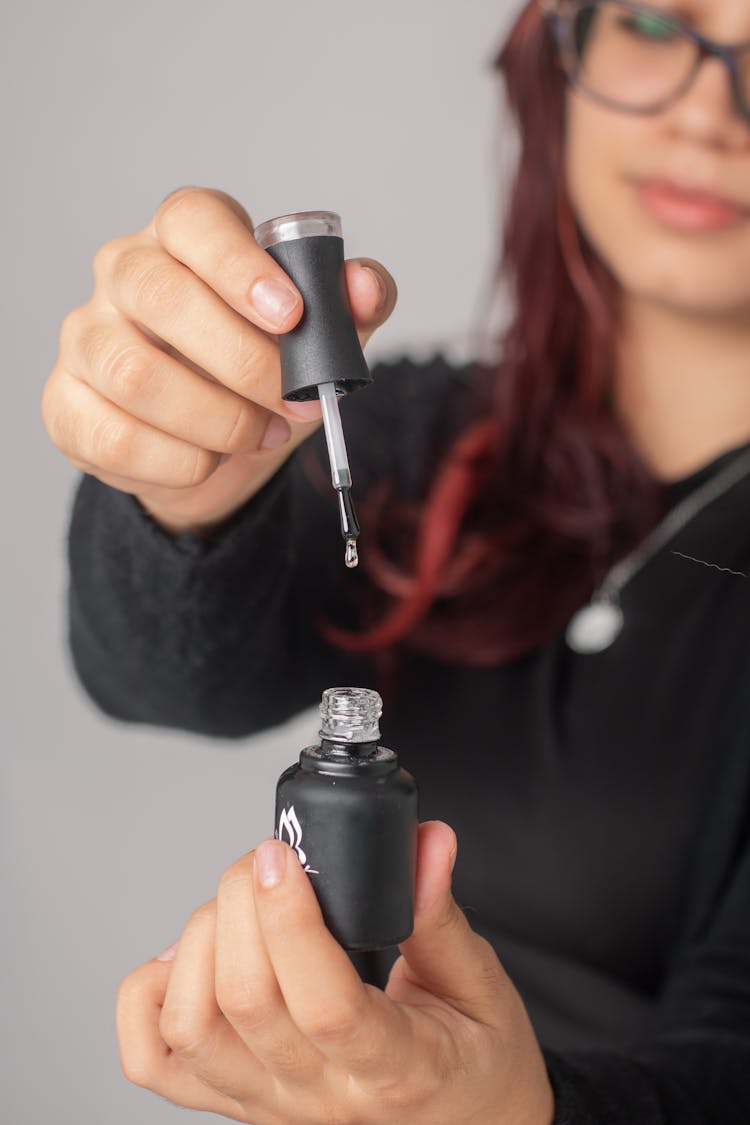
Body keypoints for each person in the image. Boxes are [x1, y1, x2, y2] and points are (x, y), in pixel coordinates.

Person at [41, 0, 750, 1121]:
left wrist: (523, 1111)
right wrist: (186, 494)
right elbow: (160, 679)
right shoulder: (426, 439)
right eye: (661, 25)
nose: (711, 113)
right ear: (556, 51)